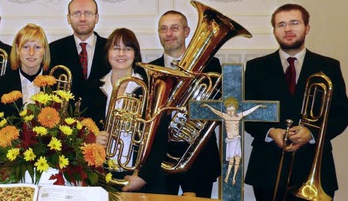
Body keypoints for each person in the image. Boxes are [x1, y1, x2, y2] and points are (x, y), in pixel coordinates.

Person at [244, 4, 348, 201]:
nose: (287, 29)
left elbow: (342, 113)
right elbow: (246, 114)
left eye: (294, 23)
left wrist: (312, 133)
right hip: (268, 167)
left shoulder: (329, 66)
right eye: (281, 24)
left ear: (307, 28)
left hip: (314, 165)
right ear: (274, 31)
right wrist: (271, 132)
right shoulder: (255, 68)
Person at [81, 28, 166, 194]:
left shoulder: (150, 90)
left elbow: (161, 139)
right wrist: (93, 138)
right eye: (115, 48)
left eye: (127, 48)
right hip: (101, 177)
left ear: (135, 54)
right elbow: (81, 129)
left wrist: (143, 177)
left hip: (142, 179)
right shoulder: (93, 89)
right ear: (108, 53)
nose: (121, 53)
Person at [147, 10, 221, 198]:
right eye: (163, 29)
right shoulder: (151, 69)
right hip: (160, 158)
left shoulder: (210, 66)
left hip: (200, 157)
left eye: (174, 28)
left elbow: (220, 110)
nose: (169, 34)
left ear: (187, 31)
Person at [0, 23, 50, 122]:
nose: (31, 53)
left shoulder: (54, 83)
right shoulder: (2, 84)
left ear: (45, 50)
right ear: (17, 49)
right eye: (26, 47)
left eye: (37, 47)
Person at [49, 0, 109, 98]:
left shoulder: (111, 48)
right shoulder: (53, 49)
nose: (82, 18)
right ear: (68, 18)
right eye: (76, 13)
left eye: (88, 13)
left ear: (96, 18)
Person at [200, 99, 265, 185]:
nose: (230, 112)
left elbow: (249, 111)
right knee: (231, 161)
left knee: (237, 160)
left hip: (237, 140)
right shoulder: (225, 116)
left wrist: (258, 106)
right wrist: (208, 106)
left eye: (232, 110)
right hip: (230, 141)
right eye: (228, 110)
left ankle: (234, 177)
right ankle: (227, 176)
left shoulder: (239, 116)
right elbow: (215, 111)